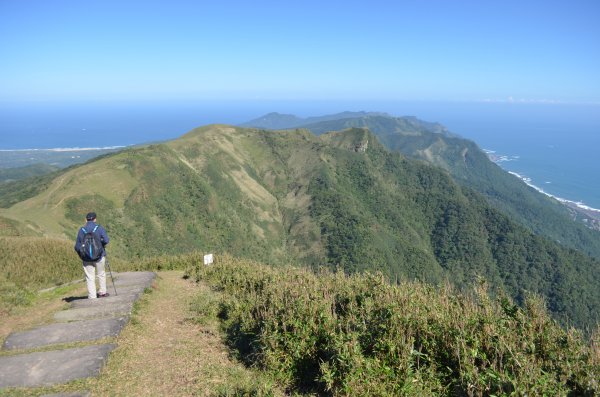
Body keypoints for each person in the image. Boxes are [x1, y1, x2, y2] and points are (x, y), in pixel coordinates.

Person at [74, 212, 110, 299]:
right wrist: (100, 244)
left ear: (86, 220)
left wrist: (82, 254)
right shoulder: (99, 228)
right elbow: (106, 240)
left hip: (86, 258)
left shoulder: (82, 230)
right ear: (95, 219)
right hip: (99, 256)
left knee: (90, 277)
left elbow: (77, 246)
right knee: (101, 274)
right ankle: (102, 292)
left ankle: (92, 296)